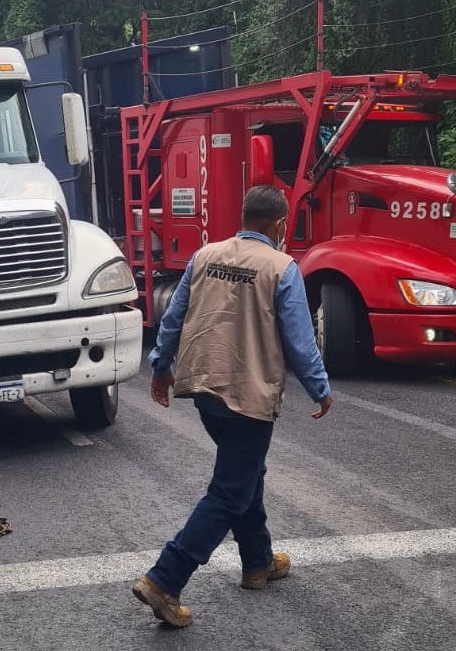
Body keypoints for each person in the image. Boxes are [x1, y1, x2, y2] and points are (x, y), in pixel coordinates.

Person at [131, 184, 333, 628]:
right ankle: (165, 578)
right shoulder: (282, 268)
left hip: (205, 391)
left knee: (245, 474)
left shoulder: (205, 256)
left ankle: (258, 562)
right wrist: (320, 388)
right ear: (280, 224)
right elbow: (300, 341)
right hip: (248, 395)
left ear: (243, 217)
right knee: (229, 491)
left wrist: (161, 367)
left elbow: (173, 317)